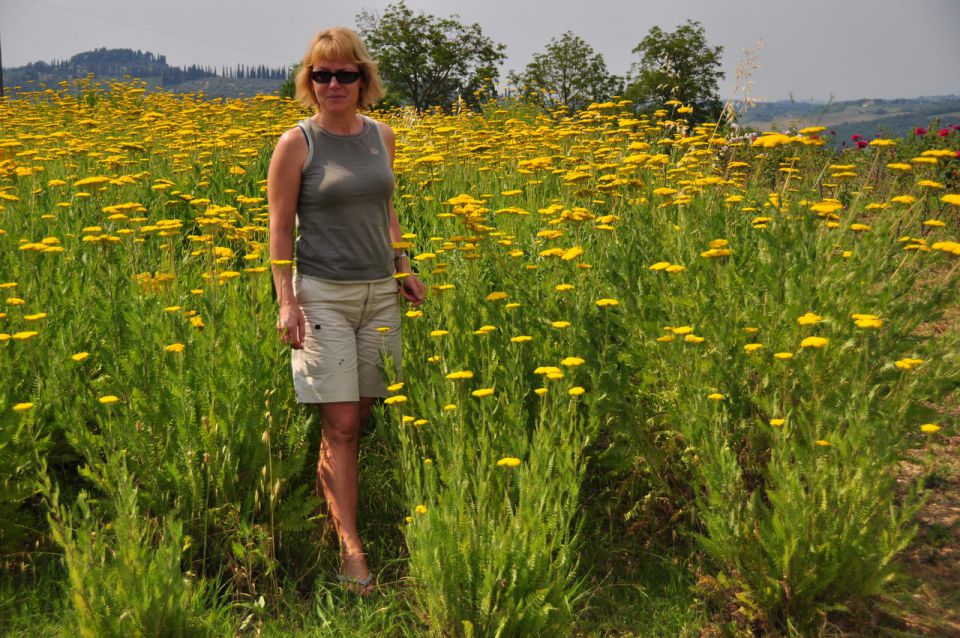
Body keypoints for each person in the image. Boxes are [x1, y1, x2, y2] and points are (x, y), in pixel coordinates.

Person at [267, 27, 426, 596]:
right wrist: (287, 302)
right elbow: (280, 228)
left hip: (379, 292)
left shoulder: (381, 136)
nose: (333, 84)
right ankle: (351, 552)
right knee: (339, 424)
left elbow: (385, 210)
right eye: (321, 74)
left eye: (345, 74)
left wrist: (403, 265)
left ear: (364, 80)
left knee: (358, 417)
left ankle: (329, 511)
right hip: (323, 296)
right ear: (308, 82)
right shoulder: (297, 143)